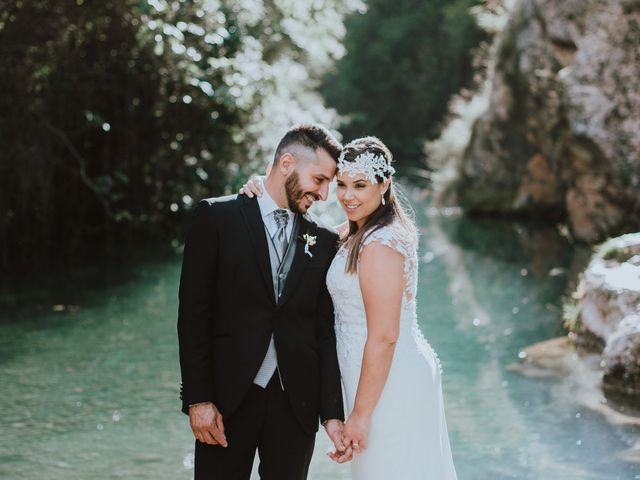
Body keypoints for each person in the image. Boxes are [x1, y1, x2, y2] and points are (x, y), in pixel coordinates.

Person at [241, 136, 458, 479]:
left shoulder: (382, 242)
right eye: (340, 184)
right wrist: (259, 190)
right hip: (369, 381)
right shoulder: (356, 233)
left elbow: (385, 336)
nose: (347, 196)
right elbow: (307, 231)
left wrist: (361, 414)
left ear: (384, 184)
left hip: (390, 384)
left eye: (359, 185)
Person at [177, 124, 347, 480]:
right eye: (319, 179)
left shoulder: (325, 239)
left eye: (329, 182)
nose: (325, 193)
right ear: (286, 163)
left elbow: (324, 329)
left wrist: (331, 412)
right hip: (226, 399)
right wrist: (198, 399)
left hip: (296, 404)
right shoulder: (217, 217)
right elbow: (193, 315)